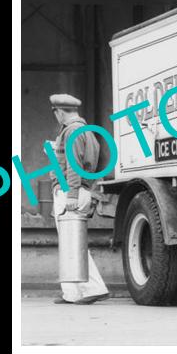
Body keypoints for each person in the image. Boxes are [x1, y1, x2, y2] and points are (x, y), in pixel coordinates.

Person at [49, 94, 111, 306]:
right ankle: (73, 294)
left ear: (59, 111)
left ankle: (93, 288)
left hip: (71, 192)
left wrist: (71, 195)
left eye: (55, 113)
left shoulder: (72, 131)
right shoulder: (85, 131)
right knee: (71, 244)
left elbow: (74, 165)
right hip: (80, 189)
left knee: (72, 245)